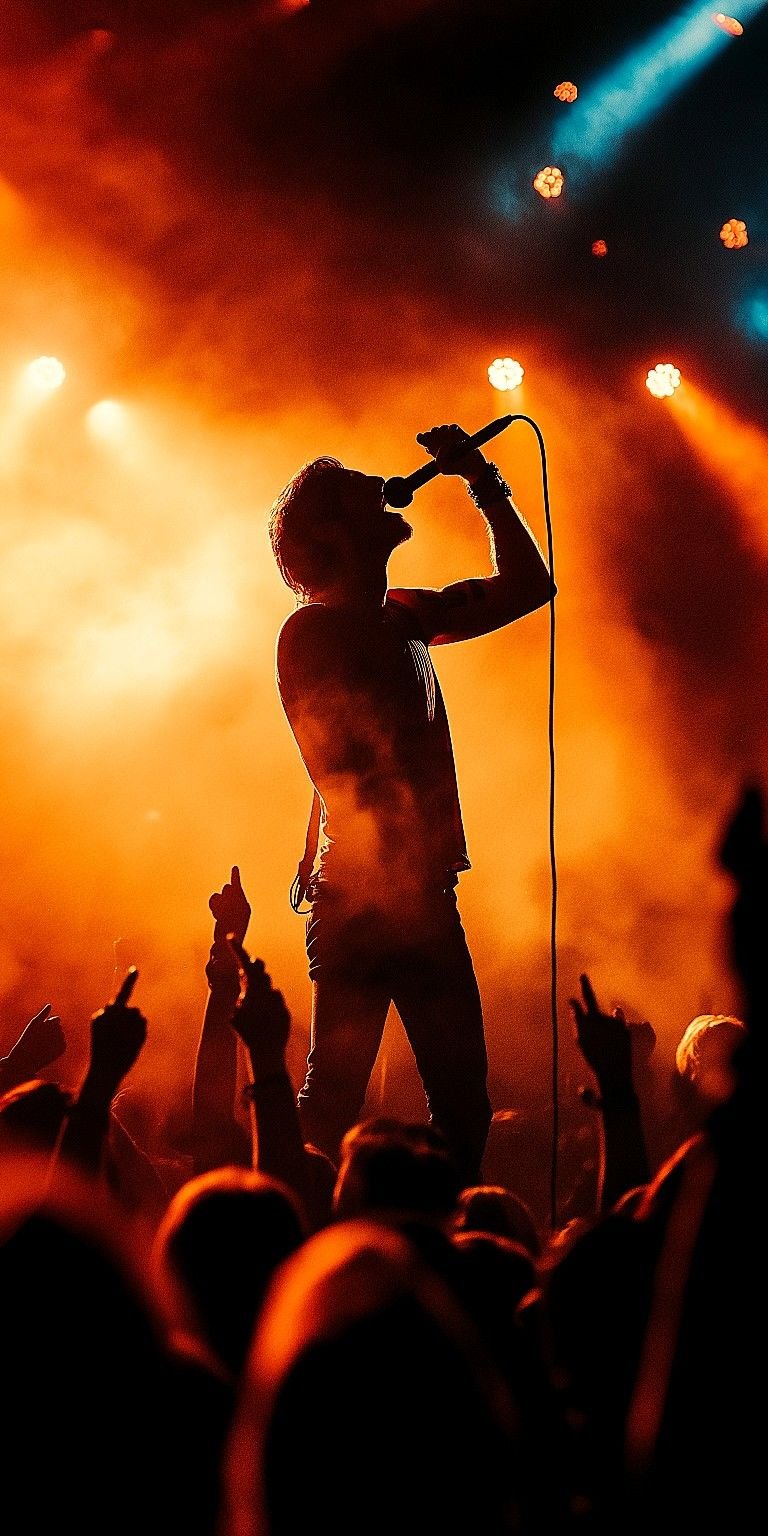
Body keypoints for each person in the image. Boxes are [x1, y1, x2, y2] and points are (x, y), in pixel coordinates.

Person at [268, 422, 554, 1183]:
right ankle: (288, 1242)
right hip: (364, 897)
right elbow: (342, 768)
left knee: (461, 1105)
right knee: (333, 1101)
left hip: (421, 893)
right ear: (330, 532)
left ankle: (435, 1247)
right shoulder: (312, 632)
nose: (380, 484)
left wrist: (484, 482)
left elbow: (531, 588)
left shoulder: (402, 615)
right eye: (357, 488)